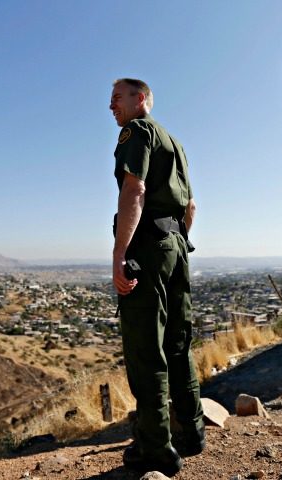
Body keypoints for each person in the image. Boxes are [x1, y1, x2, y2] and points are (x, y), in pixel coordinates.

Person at [109, 78, 205, 476]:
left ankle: (156, 448)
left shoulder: (139, 132)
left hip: (149, 247)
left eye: (117, 98)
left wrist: (119, 252)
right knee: (179, 341)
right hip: (177, 247)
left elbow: (135, 188)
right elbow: (192, 206)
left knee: (147, 347)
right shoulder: (175, 143)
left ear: (141, 99)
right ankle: (192, 429)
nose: (111, 107)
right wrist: (177, 242)